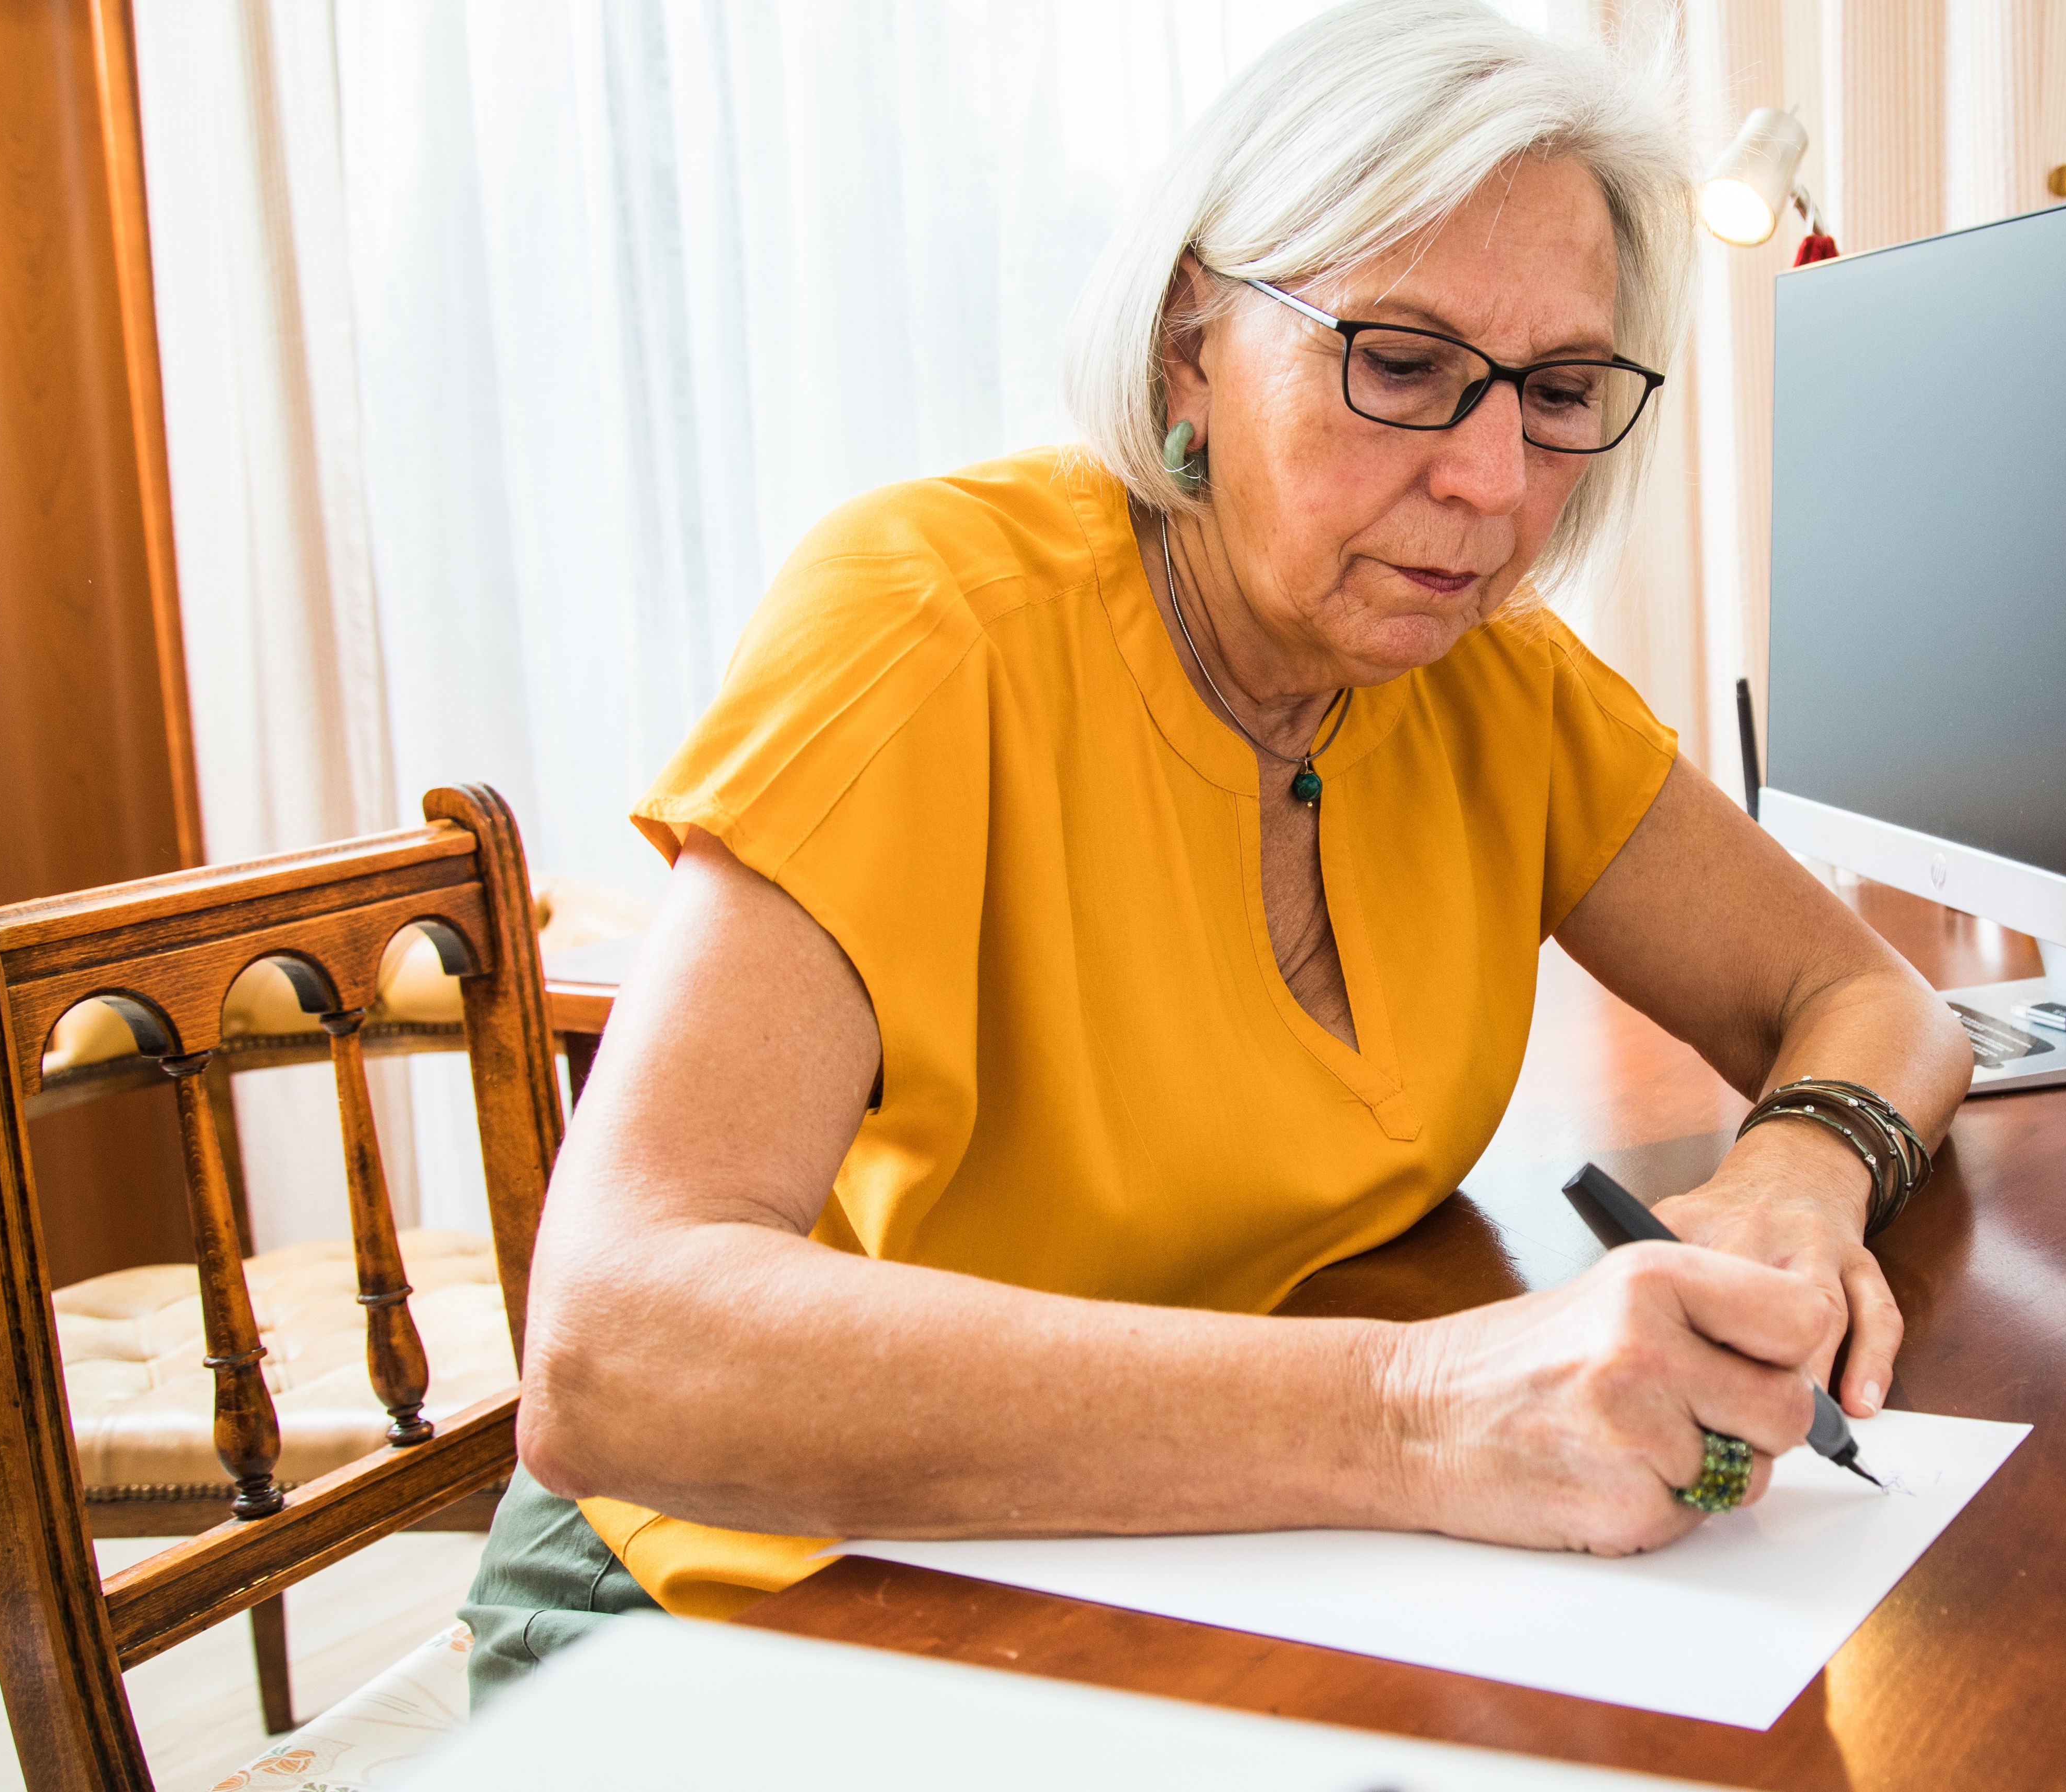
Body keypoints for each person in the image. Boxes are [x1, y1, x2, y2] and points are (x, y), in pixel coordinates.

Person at [463, 0, 1974, 1699]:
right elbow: (617, 1353)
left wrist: (1789, 1181)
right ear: (1193, 341)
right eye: (1400, 364)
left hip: (1177, 1562)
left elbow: (1873, 997)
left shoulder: (1495, 683)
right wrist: (1417, 1411)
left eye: (1558, 393)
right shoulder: (927, 626)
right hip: (749, 1588)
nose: (1491, 479)